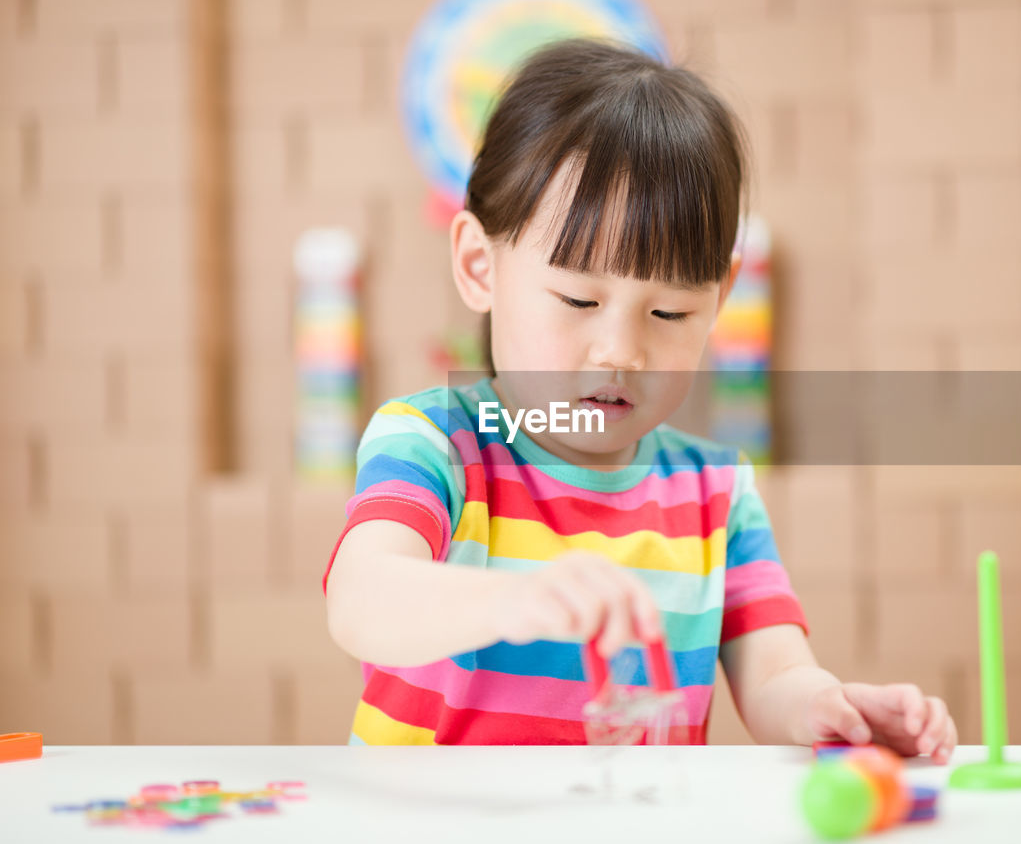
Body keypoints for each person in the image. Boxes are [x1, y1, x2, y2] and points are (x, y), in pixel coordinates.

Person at [323, 38, 956, 758]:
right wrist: (513, 601)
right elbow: (364, 597)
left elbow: (775, 673)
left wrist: (830, 706)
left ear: (718, 298)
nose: (621, 350)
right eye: (578, 298)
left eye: (668, 314)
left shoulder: (715, 490)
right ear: (479, 266)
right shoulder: (433, 442)